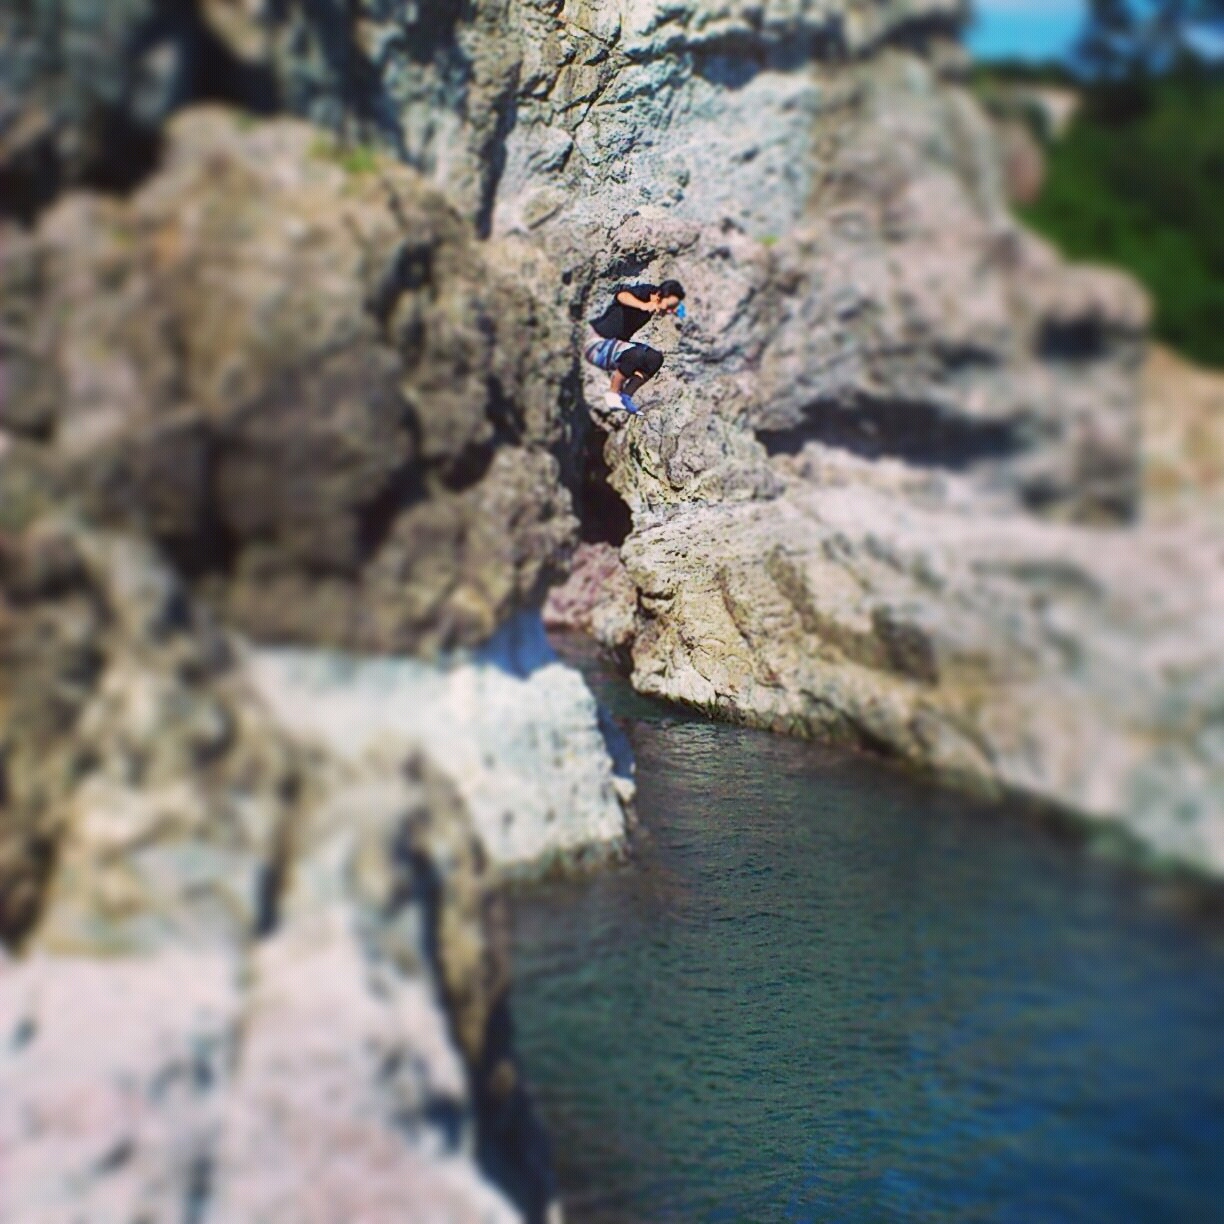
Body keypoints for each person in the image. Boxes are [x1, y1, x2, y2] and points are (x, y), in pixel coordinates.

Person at [584, 279, 686, 413]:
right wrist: (643, 305)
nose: (669, 311)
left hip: (614, 348)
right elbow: (621, 296)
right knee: (636, 354)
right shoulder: (644, 292)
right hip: (596, 344)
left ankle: (625, 397)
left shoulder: (654, 306)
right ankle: (613, 393)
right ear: (659, 295)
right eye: (669, 306)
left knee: (654, 358)